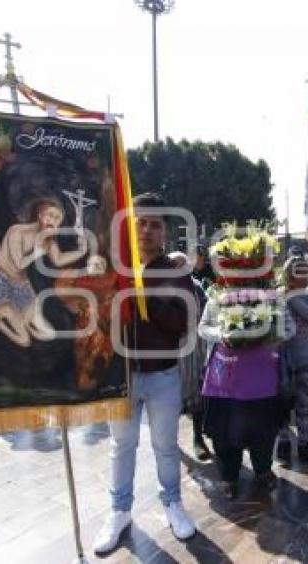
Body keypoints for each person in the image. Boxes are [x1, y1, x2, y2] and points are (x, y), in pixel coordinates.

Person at [94, 193, 196, 554]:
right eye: (141, 222)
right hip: (120, 378)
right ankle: (119, 512)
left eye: (155, 224)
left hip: (162, 375)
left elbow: (183, 322)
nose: (147, 230)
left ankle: (173, 503)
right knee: (121, 447)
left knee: (166, 446)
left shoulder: (175, 270)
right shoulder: (114, 266)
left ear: (165, 232)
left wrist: (146, 296)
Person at [198, 263, 295, 500]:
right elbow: (202, 328)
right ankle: (229, 477)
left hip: (262, 380)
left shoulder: (272, 299)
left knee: (264, 431)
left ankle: (263, 471)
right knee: (224, 434)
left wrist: (270, 335)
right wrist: (222, 335)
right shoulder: (217, 298)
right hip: (225, 382)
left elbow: (289, 328)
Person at [0, 197, 94, 347]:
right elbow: (18, 264)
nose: (52, 220)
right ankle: (2, 313)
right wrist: (36, 253)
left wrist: (81, 251)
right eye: (50, 215)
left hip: (20, 284)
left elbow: (59, 260)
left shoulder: (49, 240)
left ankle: (20, 319)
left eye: (57, 218)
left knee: (49, 334)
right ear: (40, 215)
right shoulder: (16, 231)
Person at [276, 257, 308, 467]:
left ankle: (304, 444)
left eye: (305, 272)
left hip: (304, 356)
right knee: (282, 402)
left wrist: (291, 297)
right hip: (280, 357)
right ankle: (284, 443)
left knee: (304, 403)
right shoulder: (278, 293)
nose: (304, 277)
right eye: (298, 272)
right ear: (289, 275)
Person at [168, 251, 212, 462]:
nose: (178, 269)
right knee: (171, 397)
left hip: (195, 348)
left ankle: (198, 439)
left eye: (181, 265)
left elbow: (206, 315)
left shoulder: (197, 287)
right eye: (173, 265)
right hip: (170, 351)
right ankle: (171, 441)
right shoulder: (160, 289)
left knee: (197, 392)